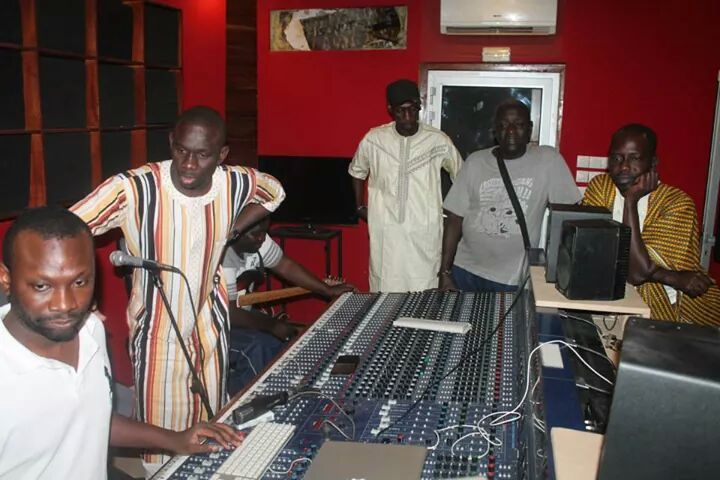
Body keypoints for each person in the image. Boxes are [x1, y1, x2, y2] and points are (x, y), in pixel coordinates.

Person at [70, 106, 285, 469]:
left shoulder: (234, 182)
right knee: (160, 441)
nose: (188, 164)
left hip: (210, 325)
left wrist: (231, 227)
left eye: (202, 155)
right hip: (157, 330)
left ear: (222, 156)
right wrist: (78, 295)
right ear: (171, 142)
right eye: (182, 150)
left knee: (212, 427)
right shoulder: (133, 188)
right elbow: (68, 229)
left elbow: (274, 192)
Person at [0, 206, 243, 480]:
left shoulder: (90, 330)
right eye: (42, 286)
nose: (66, 305)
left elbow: (89, 419)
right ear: (6, 279)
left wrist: (176, 440)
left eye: (80, 282)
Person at [582, 124, 720, 325]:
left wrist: (630, 202)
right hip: (612, 302)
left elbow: (636, 273)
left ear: (653, 162)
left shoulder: (677, 203)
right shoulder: (600, 188)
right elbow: (592, 254)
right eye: (616, 157)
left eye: (634, 158)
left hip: (671, 312)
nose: (624, 166)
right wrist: (672, 277)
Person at [440, 99, 581, 292]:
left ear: (530, 129)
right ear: (495, 131)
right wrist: (445, 272)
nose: (512, 131)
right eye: (504, 125)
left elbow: (569, 217)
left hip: (512, 278)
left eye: (519, 125)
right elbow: (454, 219)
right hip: (465, 270)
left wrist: (558, 272)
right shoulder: (475, 162)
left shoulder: (548, 161)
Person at [349, 79, 463, 292]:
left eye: (413, 109)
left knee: (425, 294)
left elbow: (461, 176)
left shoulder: (437, 141)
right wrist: (359, 206)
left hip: (424, 233)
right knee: (385, 293)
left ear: (419, 107)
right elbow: (357, 171)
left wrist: (455, 213)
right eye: (402, 111)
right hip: (387, 234)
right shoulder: (374, 140)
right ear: (390, 110)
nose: (408, 117)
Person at [221, 217, 354, 394]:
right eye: (256, 235)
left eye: (264, 232)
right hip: (217, 327)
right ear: (236, 233)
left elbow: (285, 265)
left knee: (285, 343)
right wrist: (272, 325)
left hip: (239, 317)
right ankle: (241, 402)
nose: (262, 238)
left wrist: (327, 290)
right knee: (259, 347)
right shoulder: (223, 259)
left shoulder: (258, 239)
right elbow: (229, 313)